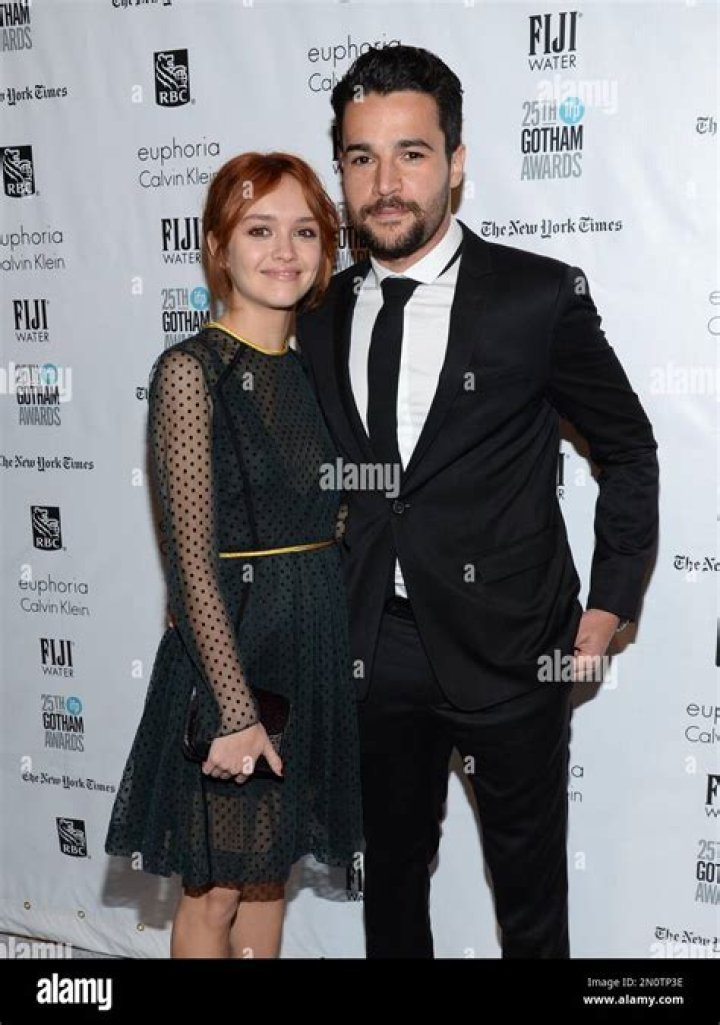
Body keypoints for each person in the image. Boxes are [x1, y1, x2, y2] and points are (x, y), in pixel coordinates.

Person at [296, 46, 659, 958]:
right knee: (389, 884)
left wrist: (610, 603)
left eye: (411, 154)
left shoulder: (536, 295)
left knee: (531, 904)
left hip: (513, 646)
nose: (386, 184)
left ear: (456, 162)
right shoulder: (318, 309)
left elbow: (627, 448)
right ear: (340, 170)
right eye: (361, 157)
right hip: (372, 647)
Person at [105, 152, 362, 959]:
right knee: (214, 888)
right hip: (235, 649)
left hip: (313, 644)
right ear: (218, 246)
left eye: (305, 232)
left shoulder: (321, 372)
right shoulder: (191, 372)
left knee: (265, 874)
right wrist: (235, 710)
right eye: (259, 229)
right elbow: (190, 561)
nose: (285, 250)